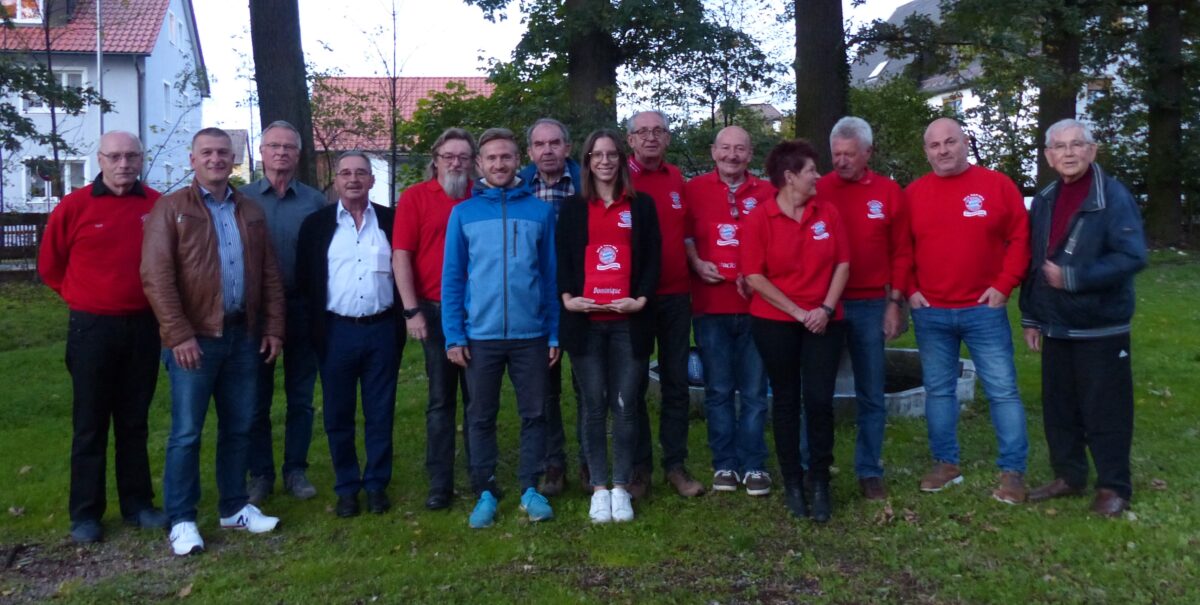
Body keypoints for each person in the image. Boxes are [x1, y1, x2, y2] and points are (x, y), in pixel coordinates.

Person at [141, 127, 285, 556]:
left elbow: (269, 273)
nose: (216, 159)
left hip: (243, 335)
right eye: (207, 152)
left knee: (239, 426)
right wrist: (178, 334)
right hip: (195, 340)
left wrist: (273, 327)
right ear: (193, 160)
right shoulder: (171, 209)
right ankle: (182, 519)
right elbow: (156, 276)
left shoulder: (250, 210)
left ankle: (234, 507)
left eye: (223, 152)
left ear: (232, 159)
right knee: (187, 432)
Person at [38, 131, 167, 543]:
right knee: (90, 423)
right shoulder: (74, 206)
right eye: (114, 156)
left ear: (141, 159)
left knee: (134, 421)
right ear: (100, 159)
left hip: (143, 326)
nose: (123, 163)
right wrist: (85, 298)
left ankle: (138, 505)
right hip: (92, 328)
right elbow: (50, 266)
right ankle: (86, 514)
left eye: (131, 156)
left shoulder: (156, 205)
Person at [1020, 119, 1147, 517]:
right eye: (1059, 146)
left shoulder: (1112, 196)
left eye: (1077, 144)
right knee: (1060, 407)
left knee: (1106, 408)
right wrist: (1031, 315)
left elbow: (1132, 256)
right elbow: (1035, 262)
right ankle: (1068, 476)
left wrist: (1074, 278)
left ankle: (1113, 486)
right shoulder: (1044, 199)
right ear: (1048, 156)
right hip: (1057, 325)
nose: (1069, 152)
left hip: (1100, 325)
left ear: (1092, 151)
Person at [903, 117, 1031, 504]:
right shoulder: (914, 194)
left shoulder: (997, 186)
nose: (943, 150)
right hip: (931, 311)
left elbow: (1020, 237)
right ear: (926, 152)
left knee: (1003, 390)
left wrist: (1004, 284)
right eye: (934, 145)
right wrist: (910, 289)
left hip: (983, 309)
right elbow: (900, 248)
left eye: (950, 142)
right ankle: (946, 464)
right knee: (939, 391)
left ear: (965, 143)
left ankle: (1013, 472)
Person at [441, 127, 560, 529]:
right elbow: (453, 278)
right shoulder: (464, 213)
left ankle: (530, 487)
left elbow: (550, 276)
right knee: (480, 417)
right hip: (481, 336)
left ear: (517, 161)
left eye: (506, 157)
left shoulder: (540, 212)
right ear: (480, 164)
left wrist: (554, 332)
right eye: (491, 158)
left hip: (531, 335)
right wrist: (454, 335)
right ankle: (485, 491)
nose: (499, 164)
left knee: (535, 414)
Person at [742, 139, 850, 523]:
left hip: (825, 321)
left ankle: (819, 480)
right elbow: (754, 275)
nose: (818, 176)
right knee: (785, 400)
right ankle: (791, 481)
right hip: (775, 322)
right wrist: (798, 312)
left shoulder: (828, 212)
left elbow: (842, 264)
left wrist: (824, 309)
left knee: (819, 401)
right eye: (811, 171)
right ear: (789, 177)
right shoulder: (760, 217)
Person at [557, 130, 661, 523]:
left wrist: (642, 299)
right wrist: (567, 297)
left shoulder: (641, 205)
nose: (605, 161)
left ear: (621, 158)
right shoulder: (573, 208)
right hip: (586, 323)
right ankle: (599, 488)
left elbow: (653, 258)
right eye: (597, 155)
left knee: (626, 405)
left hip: (628, 323)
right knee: (593, 405)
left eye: (611, 154)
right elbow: (561, 258)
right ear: (586, 161)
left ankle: (621, 486)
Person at [295, 151, 404, 518]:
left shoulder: (390, 221)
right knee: (338, 415)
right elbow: (305, 281)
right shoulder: (316, 226)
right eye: (345, 173)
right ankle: (346, 487)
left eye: (360, 173)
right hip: (336, 332)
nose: (353, 179)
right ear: (336, 180)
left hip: (382, 330)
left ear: (371, 180)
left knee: (380, 412)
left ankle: (376, 485)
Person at [815, 117, 910, 501]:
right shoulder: (818, 188)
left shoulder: (888, 192)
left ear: (868, 153)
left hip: (871, 304)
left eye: (849, 155)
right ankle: (813, 466)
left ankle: (869, 470)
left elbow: (901, 251)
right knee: (817, 391)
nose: (841, 161)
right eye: (836, 154)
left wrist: (894, 303)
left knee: (871, 390)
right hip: (825, 303)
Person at [240, 120, 326, 505]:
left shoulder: (314, 202)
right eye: (273, 146)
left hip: (302, 307)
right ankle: (260, 473)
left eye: (288, 147)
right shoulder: (241, 199)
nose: (281, 153)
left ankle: (296, 469)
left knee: (301, 396)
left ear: (298, 154)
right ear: (261, 152)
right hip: (255, 312)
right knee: (255, 397)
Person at [684, 126, 773, 495]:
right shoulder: (693, 190)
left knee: (754, 389)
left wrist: (757, 274)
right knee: (718, 389)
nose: (731, 155)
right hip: (710, 305)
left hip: (757, 307)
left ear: (750, 154)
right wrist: (696, 261)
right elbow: (685, 235)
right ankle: (724, 463)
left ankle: (754, 464)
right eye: (725, 148)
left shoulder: (767, 192)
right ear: (713, 151)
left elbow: (777, 241)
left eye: (739, 149)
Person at [392, 127, 477, 511]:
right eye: (449, 156)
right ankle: (440, 482)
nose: (455, 162)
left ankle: (480, 475)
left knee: (478, 398)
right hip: (434, 308)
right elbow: (401, 256)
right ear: (436, 159)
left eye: (463, 156)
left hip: (477, 312)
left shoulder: (482, 195)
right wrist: (411, 310)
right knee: (441, 399)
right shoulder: (415, 197)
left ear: (472, 162)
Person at [626, 110, 705, 498]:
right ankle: (640, 468)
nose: (651, 137)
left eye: (658, 131)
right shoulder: (620, 179)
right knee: (635, 382)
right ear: (630, 140)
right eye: (643, 132)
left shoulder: (676, 178)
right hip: (635, 298)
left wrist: (696, 263)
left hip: (676, 295)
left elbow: (686, 232)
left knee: (676, 383)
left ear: (669, 138)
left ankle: (675, 465)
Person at [517, 118, 582, 496]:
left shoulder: (586, 183)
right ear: (529, 152)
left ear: (567, 148)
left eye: (554, 143)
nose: (547, 150)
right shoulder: (520, 187)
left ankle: (590, 460)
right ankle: (553, 464)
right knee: (545, 390)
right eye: (539, 144)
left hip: (585, 296)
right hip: (538, 300)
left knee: (588, 386)